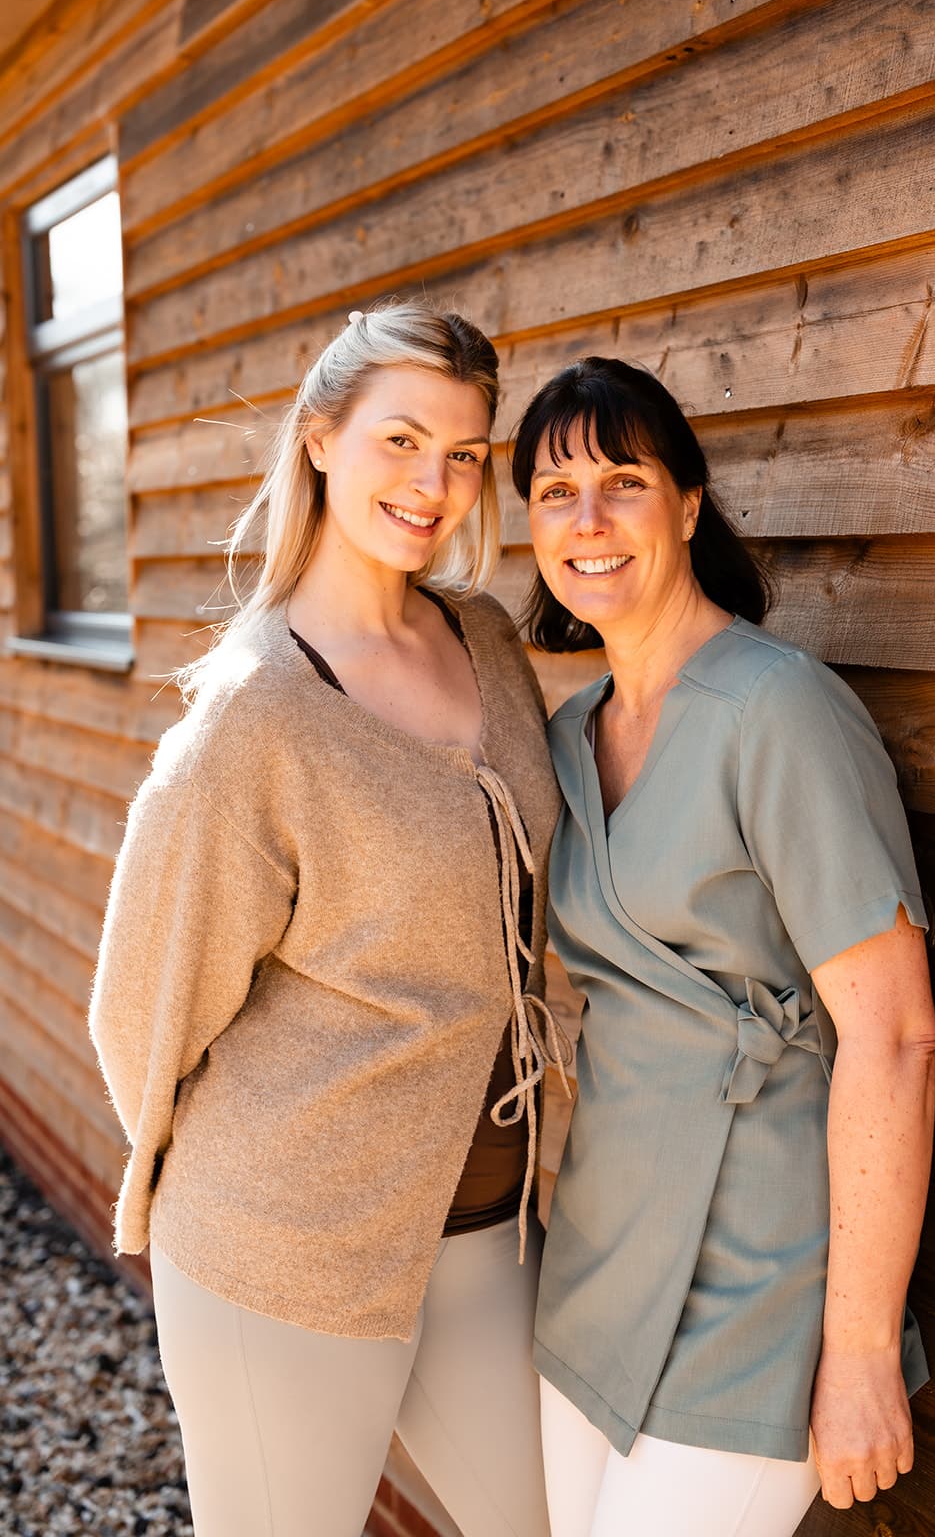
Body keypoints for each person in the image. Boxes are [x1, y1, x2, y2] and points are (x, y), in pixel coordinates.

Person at [89, 301, 565, 1537]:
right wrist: (223, 1185)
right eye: (399, 441)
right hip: (287, 1247)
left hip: (483, 1227)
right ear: (317, 440)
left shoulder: (485, 641)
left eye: (462, 455)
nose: (433, 485)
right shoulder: (256, 717)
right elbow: (142, 1003)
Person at [509, 357, 935, 1537]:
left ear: (688, 505)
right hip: (598, 1261)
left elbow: (893, 1033)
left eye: (621, 482)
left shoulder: (778, 710)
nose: (587, 522)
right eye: (553, 494)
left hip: (757, 1279)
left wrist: (853, 1350)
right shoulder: (564, 736)